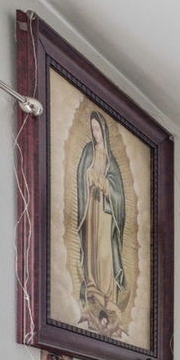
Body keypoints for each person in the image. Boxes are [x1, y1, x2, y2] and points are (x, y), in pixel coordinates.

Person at [75, 109, 128, 336]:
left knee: (105, 253)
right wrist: (89, 180)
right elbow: (81, 177)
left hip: (105, 211)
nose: (95, 133)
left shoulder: (111, 162)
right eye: (93, 129)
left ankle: (108, 295)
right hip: (92, 208)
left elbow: (118, 194)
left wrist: (104, 185)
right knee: (92, 249)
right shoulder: (88, 152)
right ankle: (93, 289)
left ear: (103, 131)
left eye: (98, 129)